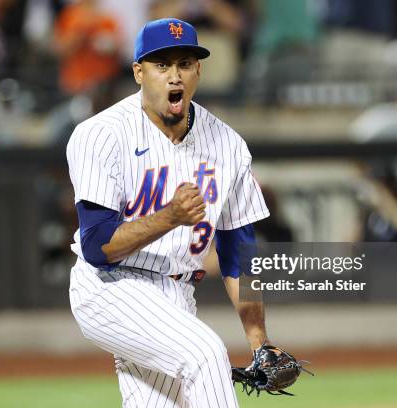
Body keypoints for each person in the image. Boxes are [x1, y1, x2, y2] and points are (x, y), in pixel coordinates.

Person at [66, 18, 277, 407]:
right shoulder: (101, 134)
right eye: (161, 65)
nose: (174, 76)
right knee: (205, 355)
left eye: (184, 63)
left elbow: (238, 256)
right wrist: (169, 217)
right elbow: (97, 246)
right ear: (138, 72)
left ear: (199, 70)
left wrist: (259, 341)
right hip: (109, 286)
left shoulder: (227, 145)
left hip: (178, 292)